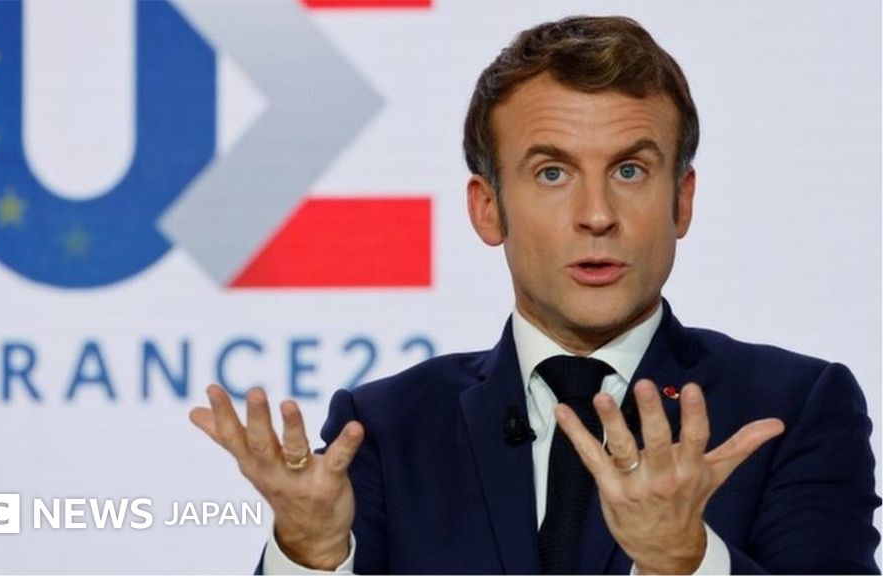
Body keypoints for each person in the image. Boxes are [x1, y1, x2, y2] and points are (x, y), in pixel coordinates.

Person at [189, 15, 881, 574]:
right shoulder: (386, 429)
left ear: (682, 200)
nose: (597, 215)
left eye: (631, 170)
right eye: (552, 173)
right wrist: (312, 554)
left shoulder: (792, 411)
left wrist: (686, 562)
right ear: (488, 208)